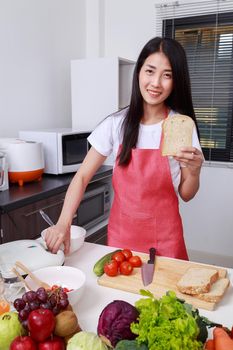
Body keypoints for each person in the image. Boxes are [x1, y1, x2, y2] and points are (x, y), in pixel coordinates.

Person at [45, 37, 204, 260]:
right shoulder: (116, 124)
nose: (156, 82)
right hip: (123, 238)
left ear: (176, 81)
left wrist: (195, 172)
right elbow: (81, 177)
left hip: (167, 238)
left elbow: (187, 194)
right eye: (150, 71)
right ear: (138, 72)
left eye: (167, 75)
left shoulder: (181, 126)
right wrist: (63, 223)